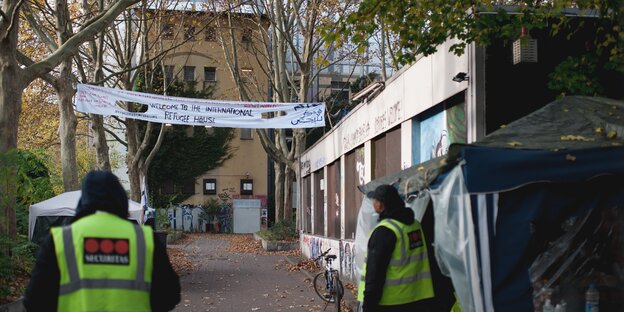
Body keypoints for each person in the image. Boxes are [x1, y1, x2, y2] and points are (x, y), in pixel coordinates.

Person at [24, 171, 180, 312]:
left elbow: (35, 301)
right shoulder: (145, 239)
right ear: (120, 199)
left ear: (83, 201)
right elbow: (169, 295)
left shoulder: (61, 240)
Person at [357, 184, 435, 312]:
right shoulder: (414, 225)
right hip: (418, 298)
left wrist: (368, 306)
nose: (373, 204)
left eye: (375, 201)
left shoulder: (385, 231)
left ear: (381, 204)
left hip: (390, 302)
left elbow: (375, 273)